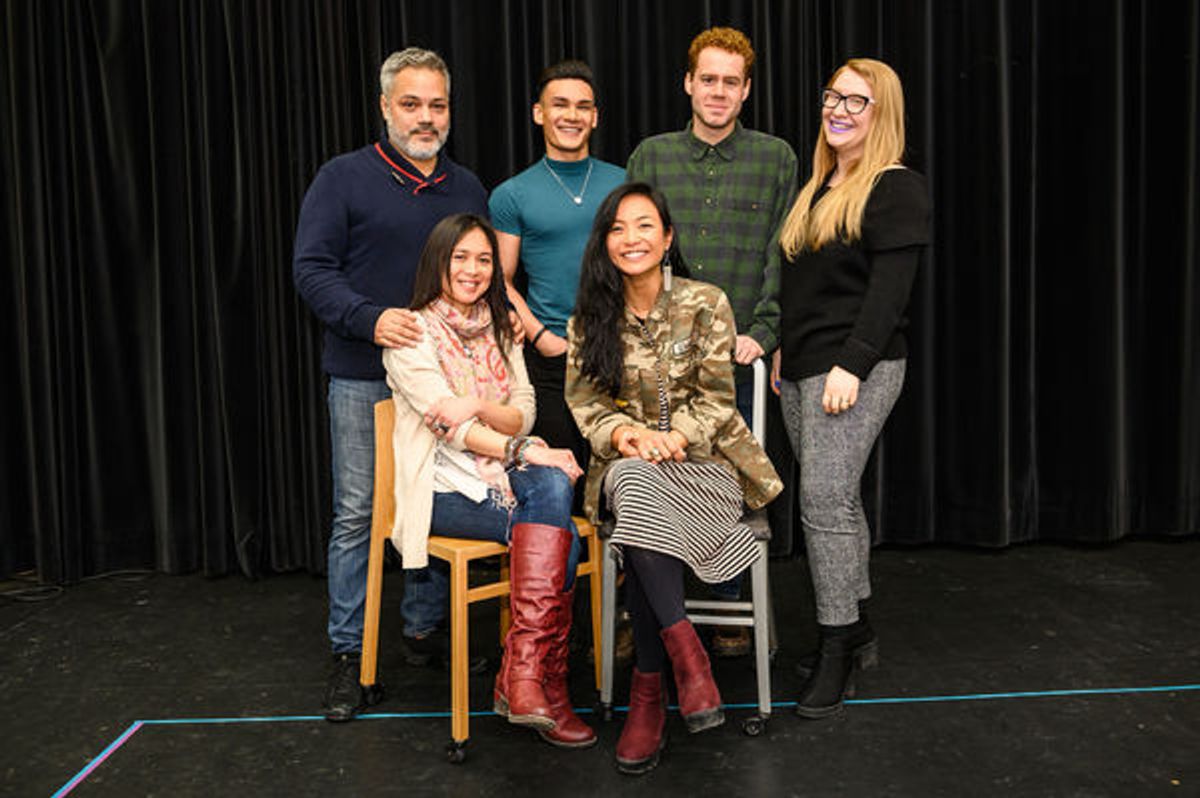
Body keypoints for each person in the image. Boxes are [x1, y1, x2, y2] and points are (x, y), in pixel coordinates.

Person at [293, 47, 487, 723]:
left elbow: (480, 278)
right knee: (359, 514)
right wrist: (370, 319)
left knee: (433, 502)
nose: (425, 117)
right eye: (411, 103)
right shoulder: (343, 178)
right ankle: (349, 653)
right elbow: (311, 269)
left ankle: (422, 632)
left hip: (445, 387)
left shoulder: (466, 189)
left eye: (437, 104)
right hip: (363, 376)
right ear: (384, 106)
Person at [566, 183, 782, 774]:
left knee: (639, 514)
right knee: (636, 486)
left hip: (707, 465)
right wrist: (631, 437)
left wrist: (675, 437)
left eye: (643, 227)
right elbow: (586, 406)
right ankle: (687, 654)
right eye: (617, 228)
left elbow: (717, 400)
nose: (630, 239)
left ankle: (648, 692)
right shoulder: (590, 319)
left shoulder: (706, 302)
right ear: (604, 243)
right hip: (629, 465)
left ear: (667, 238)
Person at [382, 213, 595, 749]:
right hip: (439, 490)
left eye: (484, 259)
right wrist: (521, 447)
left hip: (501, 475)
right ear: (439, 262)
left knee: (547, 495)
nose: (474, 270)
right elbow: (451, 431)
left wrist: (477, 404)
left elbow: (522, 410)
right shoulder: (411, 334)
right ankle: (543, 685)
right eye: (461, 258)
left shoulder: (502, 328)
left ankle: (523, 677)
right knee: (554, 523)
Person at [626, 27, 798, 655]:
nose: (718, 91)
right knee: (655, 471)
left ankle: (726, 603)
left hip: (739, 353)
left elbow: (784, 253)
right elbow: (636, 248)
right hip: (659, 352)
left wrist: (764, 331)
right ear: (688, 83)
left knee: (724, 470)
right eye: (708, 79)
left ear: (746, 89)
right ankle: (640, 609)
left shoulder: (776, 158)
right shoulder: (651, 155)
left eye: (731, 81)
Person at [773, 58, 930, 719]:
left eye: (856, 101)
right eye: (832, 95)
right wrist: (788, 348)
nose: (839, 108)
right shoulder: (818, 185)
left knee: (824, 503)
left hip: (853, 370)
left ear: (881, 113)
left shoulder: (895, 187)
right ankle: (857, 624)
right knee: (835, 504)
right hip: (804, 369)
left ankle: (835, 645)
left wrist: (853, 363)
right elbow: (809, 289)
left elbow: (889, 294)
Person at [489, 60, 625, 500]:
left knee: (618, 484)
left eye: (583, 106)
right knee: (560, 482)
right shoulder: (512, 194)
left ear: (596, 117)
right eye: (560, 105)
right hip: (551, 361)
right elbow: (501, 279)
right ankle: (562, 571)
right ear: (538, 113)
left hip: (619, 349)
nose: (572, 116)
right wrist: (541, 335)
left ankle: (622, 571)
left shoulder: (623, 183)